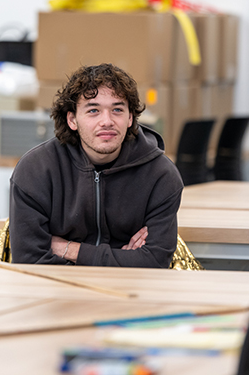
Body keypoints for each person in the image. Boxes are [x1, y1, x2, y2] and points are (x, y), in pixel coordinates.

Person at [9, 63, 182, 267]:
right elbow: (30, 262)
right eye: (93, 111)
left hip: (133, 293)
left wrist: (69, 249)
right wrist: (122, 259)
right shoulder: (35, 171)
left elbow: (154, 261)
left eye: (117, 109)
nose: (107, 121)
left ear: (130, 118)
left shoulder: (161, 175)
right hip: (55, 294)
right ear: (72, 120)